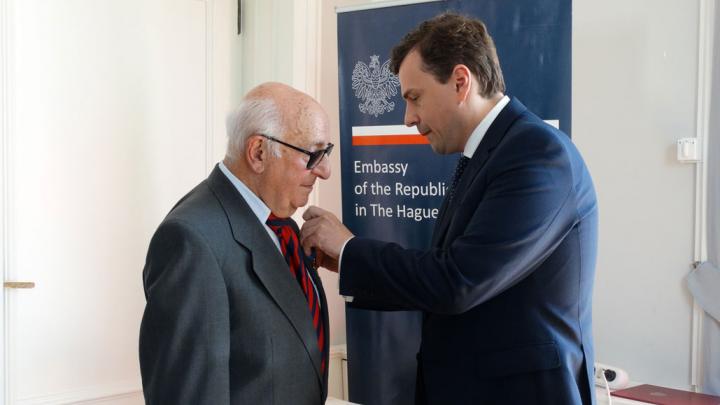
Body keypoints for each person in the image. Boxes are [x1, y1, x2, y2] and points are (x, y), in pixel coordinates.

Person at [301, 12, 598, 405]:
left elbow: (459, 282)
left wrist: (351, 249)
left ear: (461, 82)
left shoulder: (538, 156)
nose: (408, 119)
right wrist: (349, 261)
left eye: (414, 97)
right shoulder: (488, 155)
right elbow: (447, 267)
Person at [139, 82, 333, 404]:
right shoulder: (191, 240)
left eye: (326, 152)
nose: (325, 171)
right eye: (313, 154)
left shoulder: (281, 222)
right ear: (258, 152)